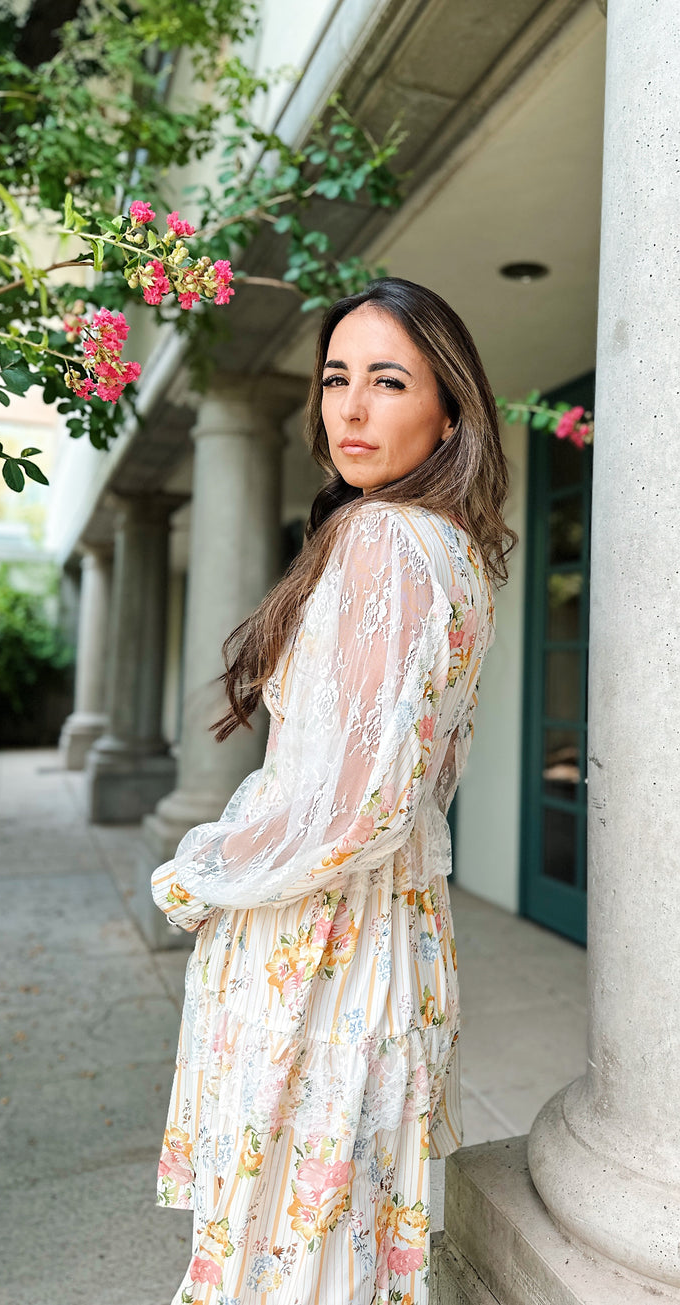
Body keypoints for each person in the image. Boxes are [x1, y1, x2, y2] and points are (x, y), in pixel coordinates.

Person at [150, 276, 517, 1304]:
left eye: (388, 381)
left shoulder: (384, 541)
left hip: (321, 947)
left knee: (281, 1259)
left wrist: (204, 874)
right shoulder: (453, 550)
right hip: (390, 938)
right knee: (336, 1255)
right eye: (335, 379)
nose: (349, 409)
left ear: (449, 409)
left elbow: (351, 805)